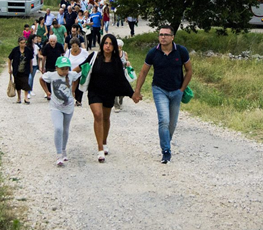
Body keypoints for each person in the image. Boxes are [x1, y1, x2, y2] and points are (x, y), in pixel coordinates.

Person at [133, 25, 193, 164]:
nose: (163, 37)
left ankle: (166, 141)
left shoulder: (181, 51)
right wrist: (137, 91)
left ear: (172, 37)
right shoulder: (153, 53)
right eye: (161, 35)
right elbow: (143, 72)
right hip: (159, 90)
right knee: (164, 120)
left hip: (177, 90)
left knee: (172, 124)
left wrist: (182, 89)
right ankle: (166, 151)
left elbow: (189, 71)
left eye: (166, 35)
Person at [81, 34, 134, 163]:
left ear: (114, 46)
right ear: (102, 44)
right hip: (94, 92)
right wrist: (66, 74)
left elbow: (122, 80)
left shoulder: (116, 61)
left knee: (105, 118)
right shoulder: (94, 57)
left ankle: (104, 142)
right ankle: (100, 149)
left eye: (110, 44)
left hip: (108, 92)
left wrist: (133, 95)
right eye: (106, 43)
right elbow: (82, 67)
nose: (108, 46)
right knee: (97, 115)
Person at [41, 56, 80, 166]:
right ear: (56, 68)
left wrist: (73, 90)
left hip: (68, 107)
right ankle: (59, 155)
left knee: (65, 129)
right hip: (55, 106)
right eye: (62, 68)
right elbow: (41, 79)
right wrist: (47, 92)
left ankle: (63, 150)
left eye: (66, 68)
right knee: (58, 128)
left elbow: (77, 78)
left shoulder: (71, 75)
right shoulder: (51, 75)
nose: (64, 71)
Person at [8, 36, 33, 104]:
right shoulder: (15, 50)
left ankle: (26, 97)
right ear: (19, 43)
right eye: (21, 43)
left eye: (24, 43)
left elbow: (31, 59)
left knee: (26, 83)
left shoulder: (28, 50)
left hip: (25, 69)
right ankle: (19, 98)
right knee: (18, 84)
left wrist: (31, 68)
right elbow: (9, 58)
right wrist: (9, 68)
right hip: (17, 70)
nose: (23, 44)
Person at [39, 35, 65, 100]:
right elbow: (44, 57)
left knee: (57, 80)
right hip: (49, 65)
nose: (52, 43)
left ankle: (57, 94)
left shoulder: (59, 45)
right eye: (51, 41)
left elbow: (63, 54)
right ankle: (49, 93)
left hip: (58, 66)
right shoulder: (46, 47)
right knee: (48, 80)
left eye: (53, 41)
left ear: (56, 41)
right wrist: (42, 67)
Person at [65, 37, 89, 107]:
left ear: (79, 45)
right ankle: (74, 98)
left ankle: (79, 100)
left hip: (81, 72)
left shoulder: (84, 52)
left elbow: (88, 60)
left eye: (76, 46)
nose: (74, 48)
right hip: (72, 72)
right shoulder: (68, 52)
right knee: (72, 88)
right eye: (73, 46)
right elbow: (66, 61)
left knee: (80, 87)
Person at [113, 39, 131, 112]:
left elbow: (127, 61)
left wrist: (127, 62)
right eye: (117, 46)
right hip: (114, 74)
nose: (118, 48)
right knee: (114, 90)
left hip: (123, 74)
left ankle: (120, 101)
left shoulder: (124, 53)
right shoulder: (112, 54)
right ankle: (116, 105)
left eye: (119, 47)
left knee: (123, 89)